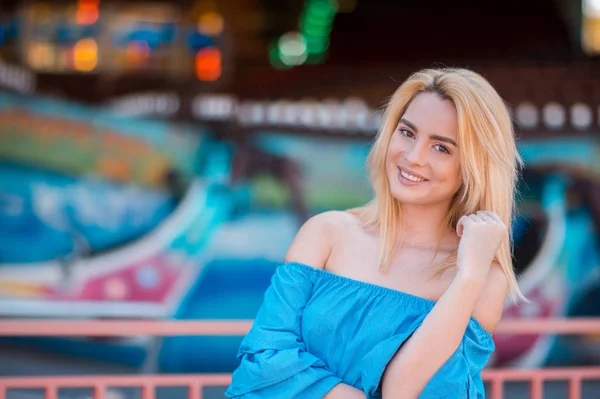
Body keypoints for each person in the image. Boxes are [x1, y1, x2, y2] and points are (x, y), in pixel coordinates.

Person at [224, 68, 526, 399]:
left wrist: (467, 278)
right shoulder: (326, 234)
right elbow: (262, 364)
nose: (413, 157)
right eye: (408, 133)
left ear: (473, 167)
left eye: (442, 148)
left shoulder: (480, 280)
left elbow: (408, 391)